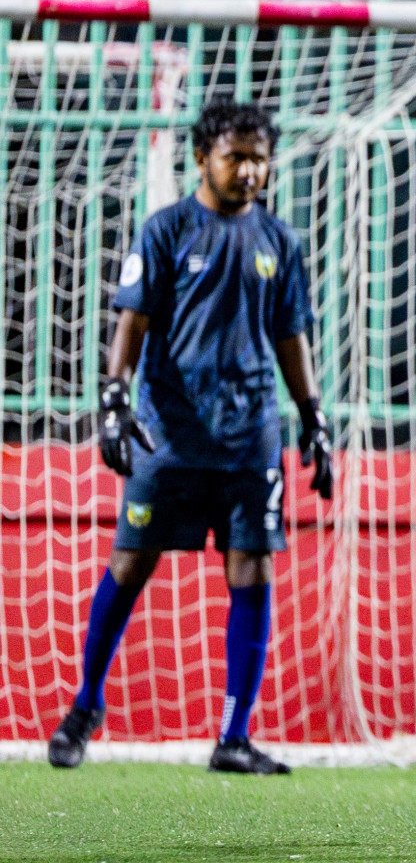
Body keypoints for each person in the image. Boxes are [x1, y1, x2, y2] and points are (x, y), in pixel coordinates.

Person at [47, 99, 333, 775]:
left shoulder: (279, 242)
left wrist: (312, 416)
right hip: (168, 436)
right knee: (130, 563)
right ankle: (86, 704)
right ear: (204, 157)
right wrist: (114, 401)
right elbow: (132, 322)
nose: (249, 170)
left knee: (252, 567)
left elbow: (290, 336)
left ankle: (234, 735)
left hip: (250, 436)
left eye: (259, 158)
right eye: (236, 157)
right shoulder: (167, 230)